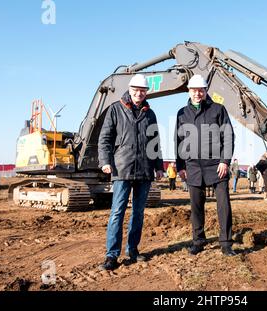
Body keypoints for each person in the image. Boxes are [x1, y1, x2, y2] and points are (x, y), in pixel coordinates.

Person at [98, 74, 164, 270]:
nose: (138, 93)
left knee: (138, 213)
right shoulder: (115, 109)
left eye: (142, 91)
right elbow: (105, 139)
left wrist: (159, 166)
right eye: (135, 90)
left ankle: (133, 250)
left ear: (146, 93)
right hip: (122, 168)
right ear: (129, 89)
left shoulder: (150, 114)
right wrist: (105, 161)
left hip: (144, 170)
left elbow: (155, 142)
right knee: (117, 212)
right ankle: (112, 255)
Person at [175, 74, 236, 257]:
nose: (197, 93)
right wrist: (180, 166)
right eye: (194, 90)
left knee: (223, 205)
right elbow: (178, 141)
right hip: (193, 167)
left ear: (205, 91)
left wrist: (225, 161)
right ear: (189, 91)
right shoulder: (182, 113)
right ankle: (198, 241)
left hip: (217, 165)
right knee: (196, 207)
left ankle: (225, 243)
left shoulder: (218, 109)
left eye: (200, 90)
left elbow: (229, 137)